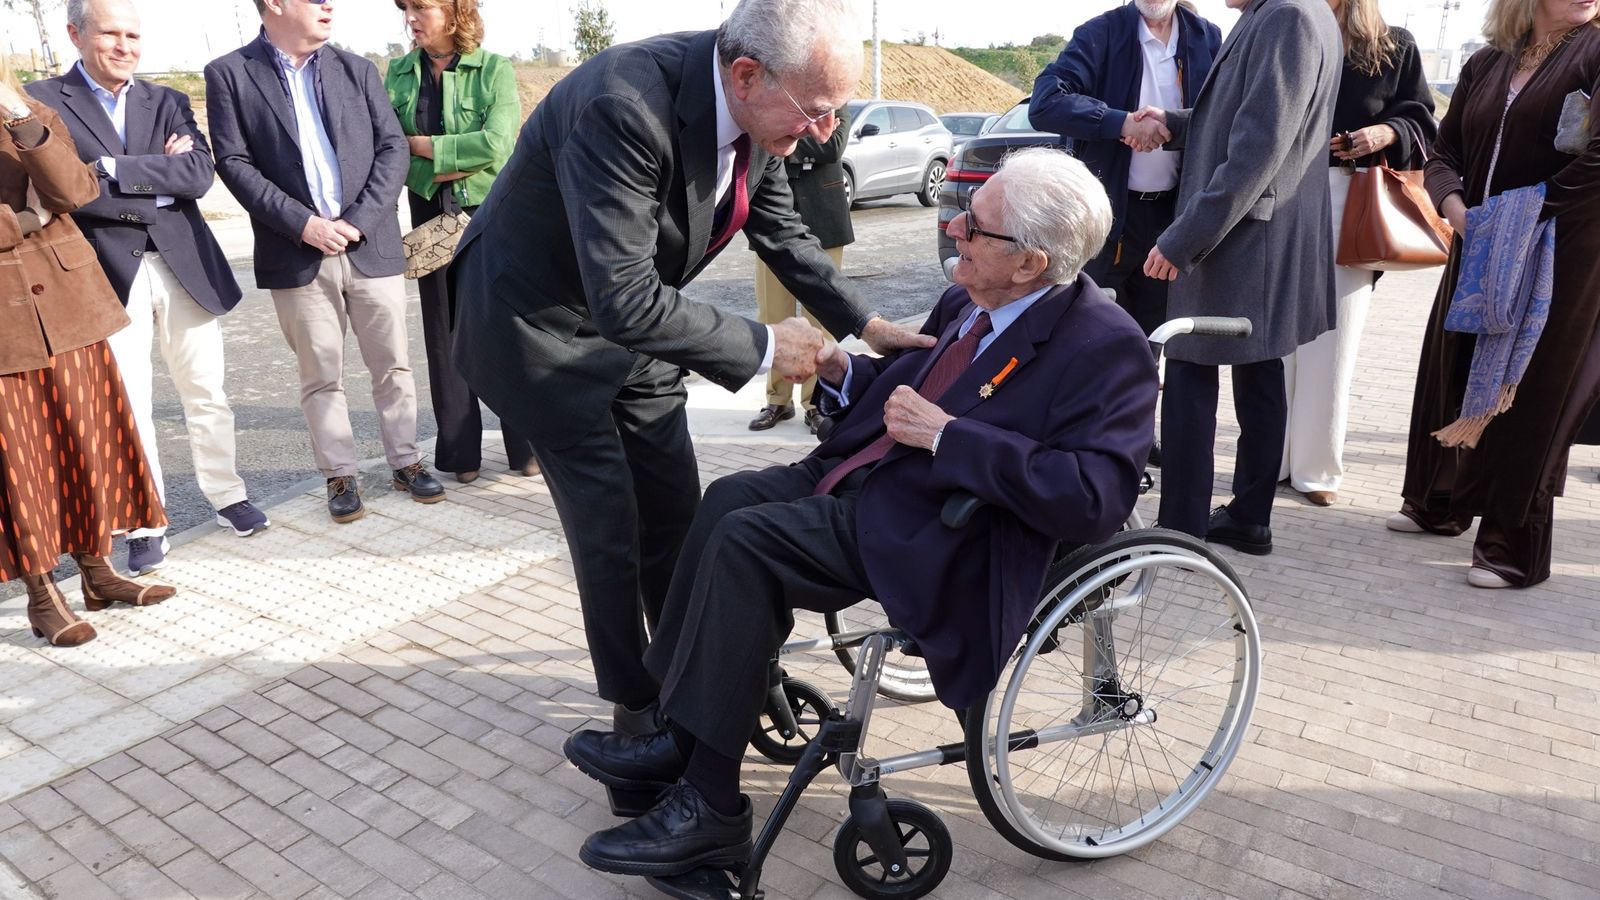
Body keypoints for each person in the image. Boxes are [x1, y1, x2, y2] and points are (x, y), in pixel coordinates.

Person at [560, 148, 1157, 878]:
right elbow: (911, 387)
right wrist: (843, 371)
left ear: (1031, 263)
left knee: (749, 544)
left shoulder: (1104, 345)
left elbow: (1097, 497)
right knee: (725, 499)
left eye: (977, 225)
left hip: (944, 529)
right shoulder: (973, 298)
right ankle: (677, 736)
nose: (957, 229)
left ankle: (711, 811)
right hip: (870, 483)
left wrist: (949, 437)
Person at [448, 0, 932, 735]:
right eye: (819, 112)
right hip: (536, 329)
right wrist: (770, 347)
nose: (825, 134)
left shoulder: (762, 109)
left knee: (675, 507)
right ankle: (637, 709)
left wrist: (861, 321)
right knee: (610, 526)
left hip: (635, 322)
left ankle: (700, 669)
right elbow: (624, 299)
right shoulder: (624, 106)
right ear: (745, 75)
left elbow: (778, 227)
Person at [29, 0, 267, 578]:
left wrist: (108, 166)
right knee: (128, 404)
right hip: (106, 272)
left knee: (206, 391)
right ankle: (145, 523)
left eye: (133, 35)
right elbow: (65, 191)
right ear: (75, 34)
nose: (124, 46)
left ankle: (225, 492)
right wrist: (145, 172)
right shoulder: (44, 101)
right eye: (110, 33)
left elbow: (197, 176)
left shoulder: (167, 101)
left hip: (183, 264)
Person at [205, 0, 444, 524]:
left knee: (393, 366)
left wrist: (357, 219)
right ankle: (340, 473)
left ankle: (406, 461)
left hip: (369, 244)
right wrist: (303, 224)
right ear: (274, 5)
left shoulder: (356, 69)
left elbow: (392, 149)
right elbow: (235, 162)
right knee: (320, 375)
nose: (328, 5)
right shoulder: (230, 74)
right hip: (296, 251)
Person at [1388, 0, 1600, 589]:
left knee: (1530, 392)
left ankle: (1512, 548)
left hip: (1564, 253)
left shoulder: (1596, 53)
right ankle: (1440, 502)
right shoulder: (1487, 62)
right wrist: (1457, 210)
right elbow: (1443, 149)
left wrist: (1521, 215)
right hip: (1479, 241)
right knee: (1451, 367)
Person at [1138, 0, 1342, 555]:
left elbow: (1258, 147)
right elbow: (1242, 120)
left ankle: (1179, 530)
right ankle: (1249, 518)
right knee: (1259, 374)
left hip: (1242, 238)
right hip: (1258, 234)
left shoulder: (1286, 17)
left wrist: (1184, 239)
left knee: (1186, 371)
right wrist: (1173, 125)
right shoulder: (1296, 12)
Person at [0, 65, 176, 647]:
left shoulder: (33, 115)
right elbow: (46, 210)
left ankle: (98, 573)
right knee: (21, 463)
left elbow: (75, 192)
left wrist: (19, 117)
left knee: (88, 440)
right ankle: (41, 595)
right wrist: (27, 220)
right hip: (6, 327)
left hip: (71, 307)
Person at [1280, 0, 1435, 508]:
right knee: (1276, 339)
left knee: (1334, 338)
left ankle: (1317, 468)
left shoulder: (1394, 44)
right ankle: (1271, 458)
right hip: (1281, 194)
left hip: (1351, 197)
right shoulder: (1289, 29)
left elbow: (1421, 119)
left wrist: (1385, 133)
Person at [384, 0, 535, 484]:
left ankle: (526, 447)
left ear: (455, 11)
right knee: (444, 331)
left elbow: (499, 143)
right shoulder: (399, 73)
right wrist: (448, 161)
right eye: (405, 7)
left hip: (490, 213)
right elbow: (388, 147)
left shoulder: (494, 70)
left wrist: (428, 148)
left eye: (421, 6)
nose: (411, 16)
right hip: (431, 214)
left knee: (507, 327)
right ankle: (461, 452)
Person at [1029, 0, 1222, 341]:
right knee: (1091, 337)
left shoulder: (1207, 38)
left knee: (1158, 338)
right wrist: (1120, 123)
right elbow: (1045, 103)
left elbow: (1223, 115)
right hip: (1107, 219)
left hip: (1174, 219)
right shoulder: (1100, 33)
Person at [748, 106, 853, 434]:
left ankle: (816, 403)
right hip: (772, 225)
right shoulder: (777, 99)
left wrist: (785, 142)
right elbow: (759, 142)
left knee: (822, 317)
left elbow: (833, 146)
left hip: (824, 220)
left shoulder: (835, 99)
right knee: (773, 314)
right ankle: (777, 400)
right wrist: (802, 141)